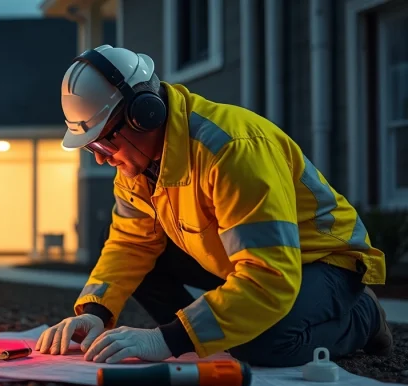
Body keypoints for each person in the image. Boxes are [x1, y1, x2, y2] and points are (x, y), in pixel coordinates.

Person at [34, 44, 392, 367]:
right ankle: (207, 332)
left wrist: (164, 340)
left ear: (145, 114)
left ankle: (362, 315)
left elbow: (270, 275)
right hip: (249, 260)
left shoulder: (233, 150)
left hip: (323, 262)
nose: (101, 159)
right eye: (92, 149)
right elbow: (130, 243)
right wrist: (95, 312)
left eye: (103, 146)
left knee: (261, 345)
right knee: (126, 248)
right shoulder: (137, 163)